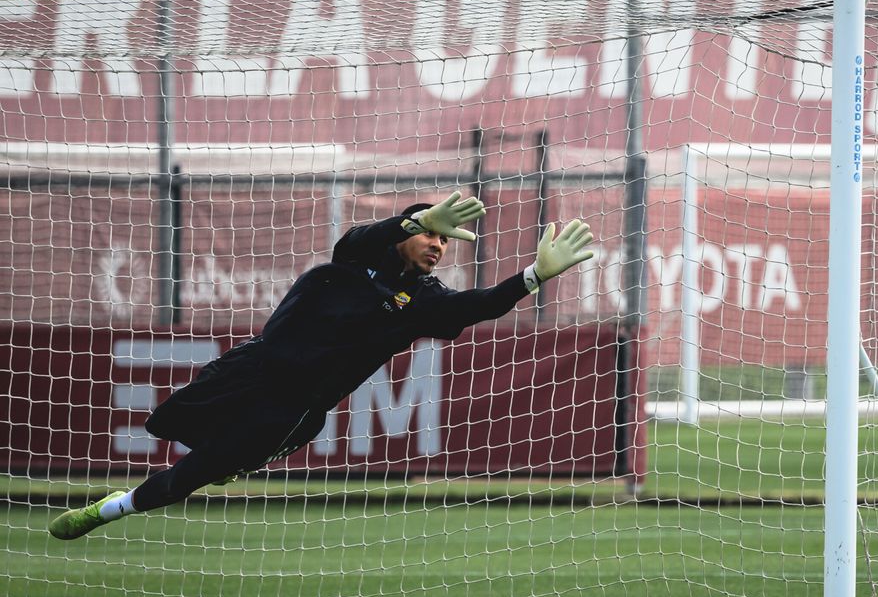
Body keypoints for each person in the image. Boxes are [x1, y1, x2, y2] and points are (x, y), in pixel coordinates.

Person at [49, 191, 594, 540]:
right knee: (163, 426)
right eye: (431, 234)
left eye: (445, 239)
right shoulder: (356, 259)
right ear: (407, 233)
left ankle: (110, 510)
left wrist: (533, 277)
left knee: (195, 473)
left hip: (292, 408)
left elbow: (472, 308)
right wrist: (417, 218)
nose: (438, 245)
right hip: (249, 369)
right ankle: (226, 459)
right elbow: (359, 239)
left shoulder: (423, 301)